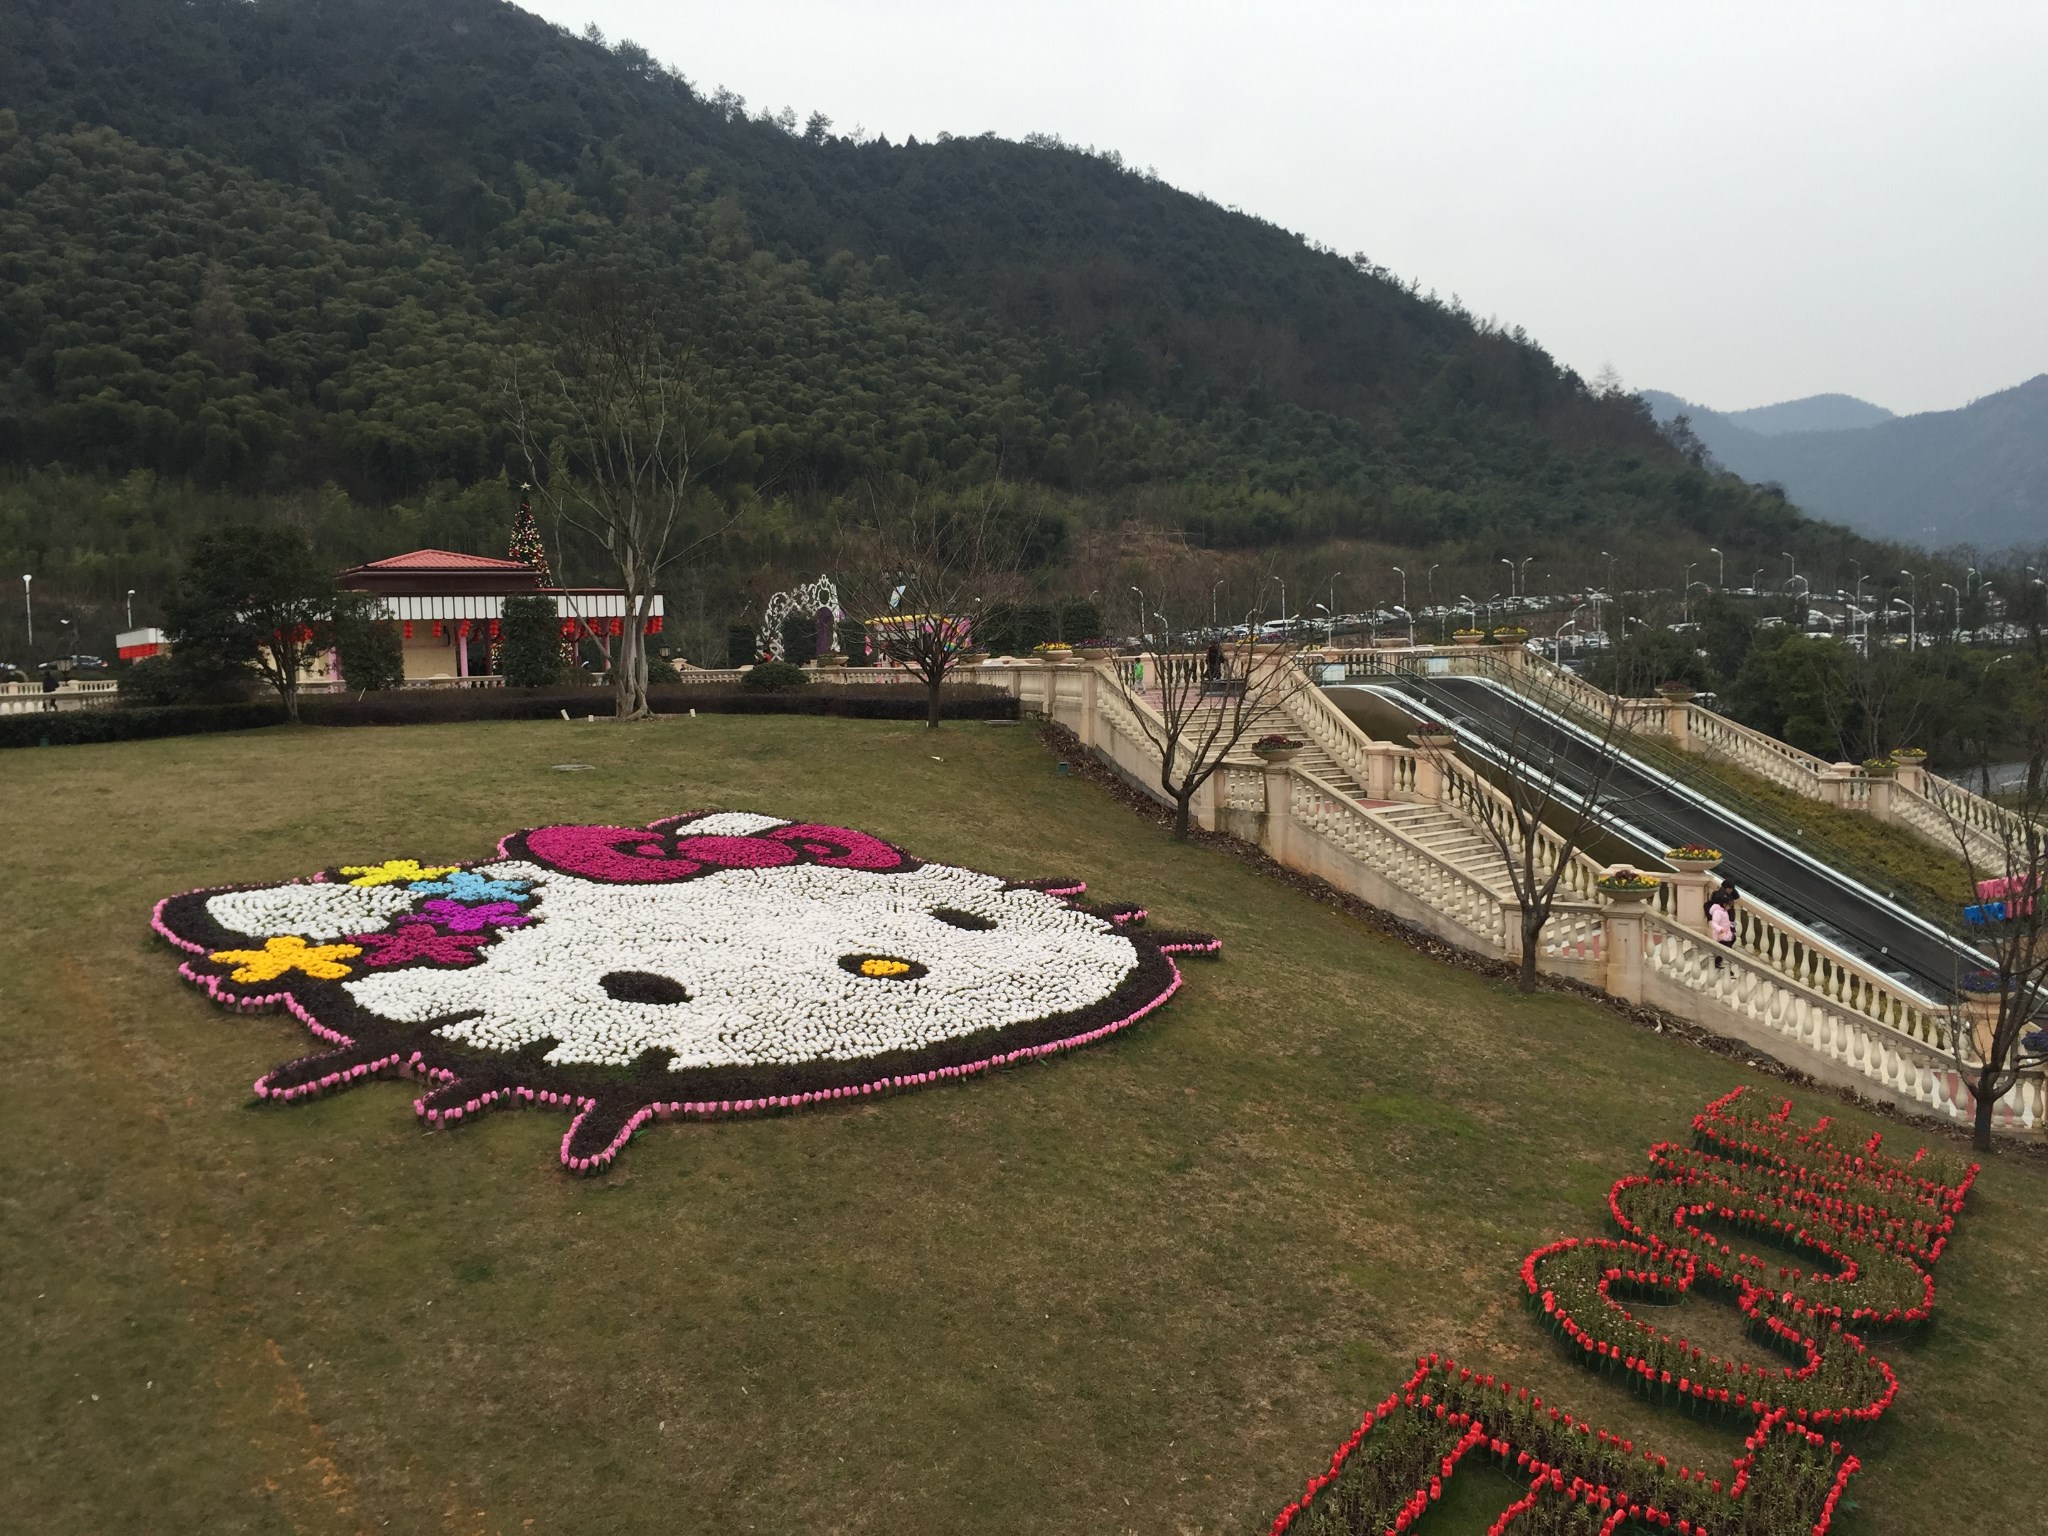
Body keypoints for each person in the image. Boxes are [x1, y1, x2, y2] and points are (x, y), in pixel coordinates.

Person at [1706, 877, 1739, 966]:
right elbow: (1715, 922)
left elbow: (1737, 896)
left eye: (1732, 889)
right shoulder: (1719, 902)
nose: (1731, 891)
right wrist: (1720, 929)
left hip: (1726, 926)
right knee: (1725, 944)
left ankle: (1719, 960)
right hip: (1722, 930)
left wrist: (1732, 926)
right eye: (1729, 889)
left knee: (1731, 940)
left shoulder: (1726, 908)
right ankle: (1719, 960)